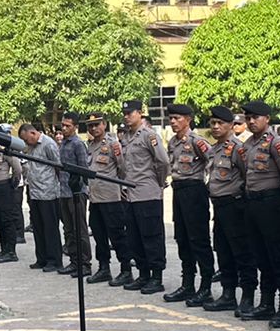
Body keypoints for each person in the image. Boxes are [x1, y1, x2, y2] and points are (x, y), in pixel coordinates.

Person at [240, 99, 280, 326]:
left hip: (272, 202)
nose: (251, 121)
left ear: (267, 119)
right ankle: (266, 303)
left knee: (279, 256)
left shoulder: (276, 142)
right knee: (261, 255)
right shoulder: (248, 144)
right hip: (253, 203)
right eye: (248, 118)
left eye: (255, 117)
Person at [202, 105, 256, 314]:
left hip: (235, 205)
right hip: (219, 206)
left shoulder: (237, 148)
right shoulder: (214, 149)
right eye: (213, 123)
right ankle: (228, 294)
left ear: (231, 125)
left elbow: (246, 175)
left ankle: (248, 296)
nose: (215, 127)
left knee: (242, 253)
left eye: (220, 123)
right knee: (223, 251)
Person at [163, 102, 214, 306]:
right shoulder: (173, 142)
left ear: (188, 120)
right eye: (171, 118)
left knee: (198, 239)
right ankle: (188, 284)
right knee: (182, 239)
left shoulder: (197, 141)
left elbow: (213, 160)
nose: (173, 122)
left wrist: (209, 185)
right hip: (179, 190)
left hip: (194, 191)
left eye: (177, 118)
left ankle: (206, 286)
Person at [116, 99, 168, 295]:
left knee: (152, 236)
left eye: (130, 113)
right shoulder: (126, 137)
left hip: (147, 193)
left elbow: (163, 162)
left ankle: (156, 277)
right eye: (125, 114)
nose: (127, 117)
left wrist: (158, 183)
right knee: (134, 237)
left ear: (140, 113)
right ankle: (143, 274)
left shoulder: (149, 135)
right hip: (130, 194)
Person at [85, 113, 131, 286]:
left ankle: (126, 270)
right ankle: (104, 268)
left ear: (104, 124)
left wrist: (121, 188)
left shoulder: (113, 144)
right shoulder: (90, 145)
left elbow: (123, 168)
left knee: (117, 235)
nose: (93, 128)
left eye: (97, 124)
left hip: (110, 198)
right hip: (95, 198)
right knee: (99, 235)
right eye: (90, 126)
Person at [18, 123, 62, 272]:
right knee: (38, 227)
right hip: (34, 192)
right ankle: (41, 258)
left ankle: (54, 260)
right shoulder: (30, 147)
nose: (26, 142)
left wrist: (57, 187)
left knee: (50, 228)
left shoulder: (48, 144)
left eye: (26, 139)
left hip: (48, 192)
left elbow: (58, 166)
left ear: (32, 133)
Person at [56, 114, 91, 276]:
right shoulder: (63, 143)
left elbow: (84, 169)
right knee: (68, 229)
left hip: (76, 193)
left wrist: (83, 190)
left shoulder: (78, 144)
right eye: (62, 125)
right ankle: (74, 261)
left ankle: (85, 263)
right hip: (63, 191)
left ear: (75, 127)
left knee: (80, 230)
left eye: (67, 126)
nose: (64, 128)